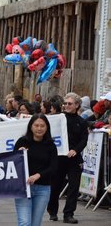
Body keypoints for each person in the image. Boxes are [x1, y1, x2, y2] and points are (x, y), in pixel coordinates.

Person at [47, 92, 89, 224]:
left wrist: (75, 150)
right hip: (59, 158)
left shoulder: (82, 122)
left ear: (77, 105)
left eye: (69, 103)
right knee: (55, 186)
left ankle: (69, 213)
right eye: (65, 103)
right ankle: (52, 210)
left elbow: (84, 140)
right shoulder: (57, 118)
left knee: (73, 187)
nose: (66, 106)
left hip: (74, 159)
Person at [13, 113, 58, 226]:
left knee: (35, 223)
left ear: (47, 127)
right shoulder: (22, 141)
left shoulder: (50, 145)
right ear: (30, 126)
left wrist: (38, 175)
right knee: (24, 222)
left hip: (43, 188)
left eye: (42, 126)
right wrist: (18, 154)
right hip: (23, 188)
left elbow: (53, 167)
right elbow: (11, 164)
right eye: (36, 125)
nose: (39, 128)